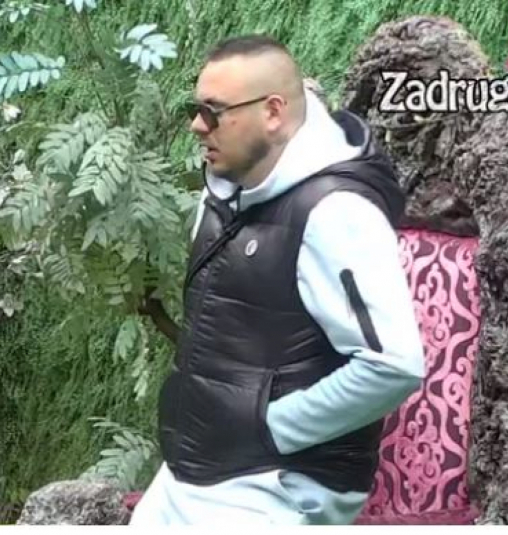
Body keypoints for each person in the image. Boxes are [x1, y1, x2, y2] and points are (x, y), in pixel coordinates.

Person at [128, 35, 425, 526]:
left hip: (274, 487)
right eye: (194, 109)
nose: (196, 125)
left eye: (213, 112)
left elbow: (393, 366)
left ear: (272, 111)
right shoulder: (226, 192)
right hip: (194, 470)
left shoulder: (336, 213)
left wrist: (271, 428)